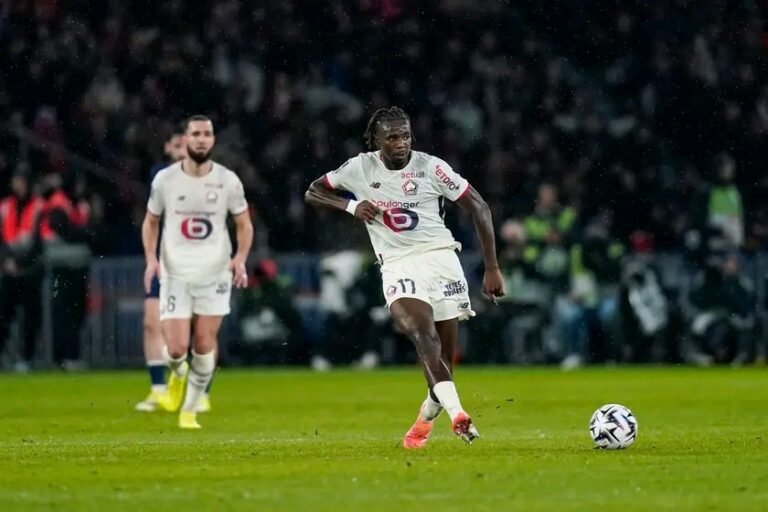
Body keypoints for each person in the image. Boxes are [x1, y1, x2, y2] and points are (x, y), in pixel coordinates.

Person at [305, 106, 505, 447]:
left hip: (441, 259)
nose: (401, 143)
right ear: (376, 140)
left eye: (406, 136)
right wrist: (351, 206)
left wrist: (492, 267)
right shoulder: (359, 168)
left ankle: (425, 419)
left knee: (443, 366)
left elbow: (479, 207)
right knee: (422, 335)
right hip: (398, 264)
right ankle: (459, 415)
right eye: (393, 137)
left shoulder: (432, 167)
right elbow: (313, 191)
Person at [142, 115, 253, 429]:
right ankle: (177, 375)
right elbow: (150, 221)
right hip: (175, 273)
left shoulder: (228, 180)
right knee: (177, 348)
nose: (201, 139)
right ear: (186, 139)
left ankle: (190, 410)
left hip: (214, 273)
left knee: (204, 343)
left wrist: (240, 257)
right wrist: (151, 259)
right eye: (196, 134)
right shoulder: (164, 179)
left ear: (213, 140)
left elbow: (244, 224)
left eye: (207, 134)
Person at [135, 128, 198, 412]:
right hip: (164, 260)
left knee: (188, 329)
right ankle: (158, 388)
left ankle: (191, 384)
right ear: (167, 149)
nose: (183, 148)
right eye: (177, 144)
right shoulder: (160, 175)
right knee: (151, 322)